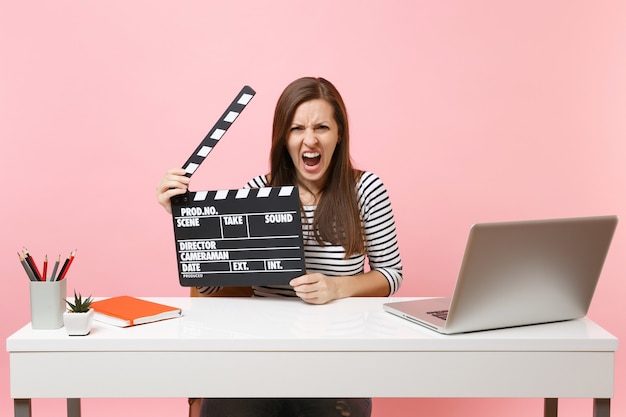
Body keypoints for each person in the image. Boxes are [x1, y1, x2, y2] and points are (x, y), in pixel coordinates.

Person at [156, 77, 403, 417]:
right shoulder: (257, 193)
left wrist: (337, 287)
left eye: (322, 127)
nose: (310, 139)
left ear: (339, 134)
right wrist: (184, 219)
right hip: (260, 360)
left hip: (336, 362)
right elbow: (211, 285)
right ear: (283, 138)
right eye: (297, 128)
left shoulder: (366, 190)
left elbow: (391, 275)